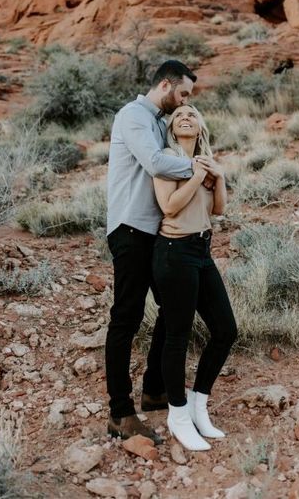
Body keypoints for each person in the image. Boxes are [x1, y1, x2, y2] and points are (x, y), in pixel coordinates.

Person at [105, 60, 212, 444]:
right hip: (131, 230)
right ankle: (120, 412)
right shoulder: (134, 116)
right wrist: (199, 168)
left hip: (156, 233)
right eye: (182, 94)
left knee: (172, 308)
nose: (184, 101)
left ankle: (153, 390)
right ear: (165, 85)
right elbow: (153, 163)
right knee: (127, 317)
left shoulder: (156, 122)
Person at [151, 104, 237, 451]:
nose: (185, 116)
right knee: (178, 336)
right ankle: (178, 414)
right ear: (172, 127)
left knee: (226, 331)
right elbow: (168, 206)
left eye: (193, 114)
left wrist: (219, 177)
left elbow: (218, 209)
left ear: (200, 125)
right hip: (173, 252)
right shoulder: (165, 159)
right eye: (179, 115)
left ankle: (199, 402)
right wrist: (198, 176)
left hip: (202, 251)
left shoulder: (205, 160)